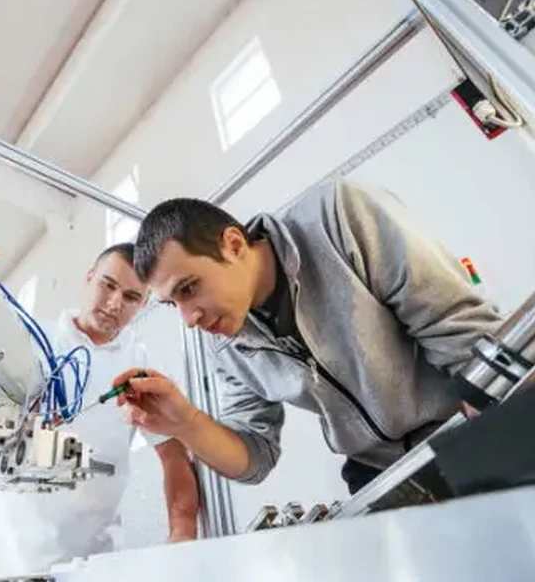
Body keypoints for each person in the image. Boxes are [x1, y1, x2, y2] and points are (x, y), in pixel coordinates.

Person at [112, 180, 501, 499]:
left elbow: (458, 328)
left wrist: (490, 443)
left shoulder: (337, 216)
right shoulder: (224, 345)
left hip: (464, 425)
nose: (189, 318)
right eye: (171, 304)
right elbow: (255, 457)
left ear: (233, 244)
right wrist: (186, 424)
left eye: (190, 287)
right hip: (379, 473)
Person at [0, 243, 199, 579]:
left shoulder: (143, 369)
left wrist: (183, 533)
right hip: (2, 554)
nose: (116, 303)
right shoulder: (30, 342)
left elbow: (174, 456)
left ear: (144, 303)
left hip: (87, 561)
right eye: (108, 285)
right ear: (89, 278)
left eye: (132, 297)